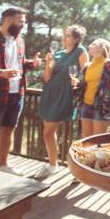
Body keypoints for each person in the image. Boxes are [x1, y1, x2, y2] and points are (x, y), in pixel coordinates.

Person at [0, 7, 42, 175]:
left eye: (24, 22)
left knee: (8, 130)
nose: (23, 25)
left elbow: (18, 63)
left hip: (17, 94)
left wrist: (32, 63)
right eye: (21, 21)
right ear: (8, 20)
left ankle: (3, 165)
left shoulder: (19, 41)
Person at [34, 25, 89, 179]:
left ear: (76, 38)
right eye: (64, 35)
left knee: (48, 131)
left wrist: (77, 81)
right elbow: (47, 78)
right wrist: (48, 63)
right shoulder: (57, 54)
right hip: (50, 92)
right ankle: (53, 163)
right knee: (48, 132)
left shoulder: (81, 51)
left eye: (68, 35)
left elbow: (86, 73)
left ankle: (55, 165)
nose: (64, 38)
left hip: (65, 93)